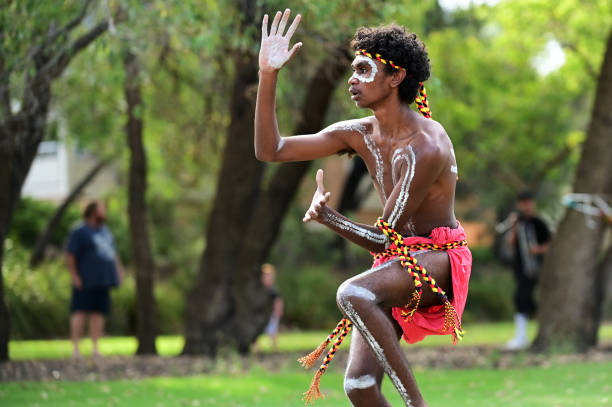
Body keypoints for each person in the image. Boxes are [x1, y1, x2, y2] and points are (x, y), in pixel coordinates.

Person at [255, 9, 472, 407]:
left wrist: (329, 218)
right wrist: (268, 75)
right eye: (352, 69)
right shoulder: (358, 134)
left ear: (396, 77)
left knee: (353, 292)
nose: (352, 80)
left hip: (439, 256)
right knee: (358, 387)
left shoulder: (425, 145)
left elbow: (381, 240)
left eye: (363, 69)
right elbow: (271, 150)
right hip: (397, 261)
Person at [65, 201, 123, 358]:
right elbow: (70, 255)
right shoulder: (79, 231)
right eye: (101, 209)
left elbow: (113, 254)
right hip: (85, 280)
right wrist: (75, 276)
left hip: (103, 280)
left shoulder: (105, 231)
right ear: (92, 212)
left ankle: (95, 348)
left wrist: (119, 272)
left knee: (98, 313)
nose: (104, 212)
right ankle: (76, 349)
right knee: (80, 312)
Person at [502, 191, 551, 350]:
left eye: (528, 202)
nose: (525, 205)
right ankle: (521, 335)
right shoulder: (517, 222)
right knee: (522, 298)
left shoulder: (539, 223)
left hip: (537, 268)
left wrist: (537, 250)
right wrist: (514, 226)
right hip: (521, 268)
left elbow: (550, 243)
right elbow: (510, 242)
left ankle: (526, 334)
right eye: (522, 202)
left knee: (526, 298)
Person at [261, 263, 284, 352]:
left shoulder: (273, 290)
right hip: (262, 314)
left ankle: (274, 347)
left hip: (272, 314)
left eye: (269, 275)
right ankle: (256, 347)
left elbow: (278, 301)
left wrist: (279, 311)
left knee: (272, 331)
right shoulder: (260, 289)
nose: (267, 278)